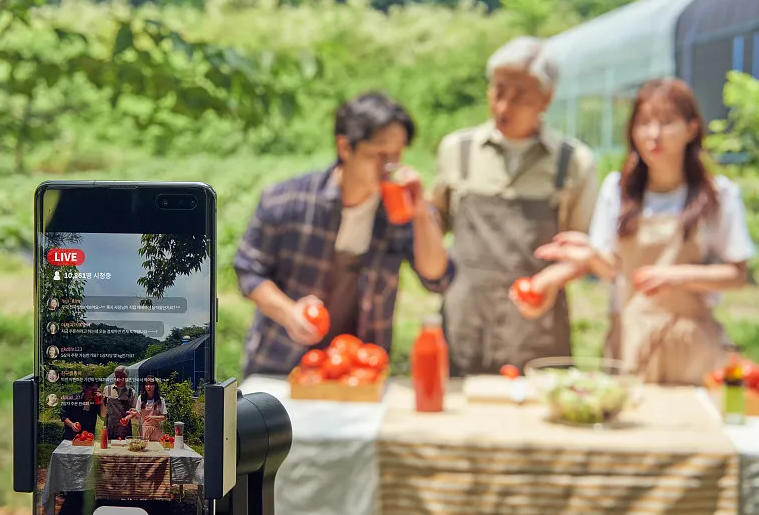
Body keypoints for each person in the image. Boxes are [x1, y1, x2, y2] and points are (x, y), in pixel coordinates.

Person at [526, 78, 755, 385]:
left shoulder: (719, 196)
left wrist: (677, 276)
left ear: (691, 129)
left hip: (693, 341)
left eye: (666, 122)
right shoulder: (618, 191)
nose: (653, 134)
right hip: (630, 339)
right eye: (644, 123)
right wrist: (590, 254)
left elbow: (737, 274)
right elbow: (612, 269)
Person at [235, 92, 455, 377]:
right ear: (345, 147)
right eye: (379, 154)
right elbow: (248, 270)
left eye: (397, 153)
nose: (391, 166)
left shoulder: (398, 210)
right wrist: (289, 313)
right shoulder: (285, 201)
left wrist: (422, 213)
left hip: (359, 370)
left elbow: (437, 277)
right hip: (281, 365)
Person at [430, 36, 597, 376]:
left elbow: (583, 249)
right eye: (498, 91)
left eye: (520, 95)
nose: (503, 106)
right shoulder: (457, 151)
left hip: (537, 323)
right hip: (465, 319)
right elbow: (433, 226)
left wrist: (547, 283)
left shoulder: (572, 162)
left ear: (547, 99)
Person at [101, 365, 136, 440]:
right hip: (110, 427)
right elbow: (102, 409)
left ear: (126, 378)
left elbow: (134, 411)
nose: (117, 379)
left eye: (120, 377)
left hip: (125, 428)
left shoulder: (131, 392)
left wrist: (128, 417)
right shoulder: (107, 389)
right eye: (116, 376)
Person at [132, 375, 168, 441]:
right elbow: (138, 415)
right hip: (143, 430)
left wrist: (152, 417)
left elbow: (164, 417)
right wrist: (134, 413)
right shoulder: (141, 398)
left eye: (151, 384)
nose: (148, 387)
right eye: (146, 384)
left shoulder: (160, 400)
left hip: (156, 430)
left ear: (155, 386)